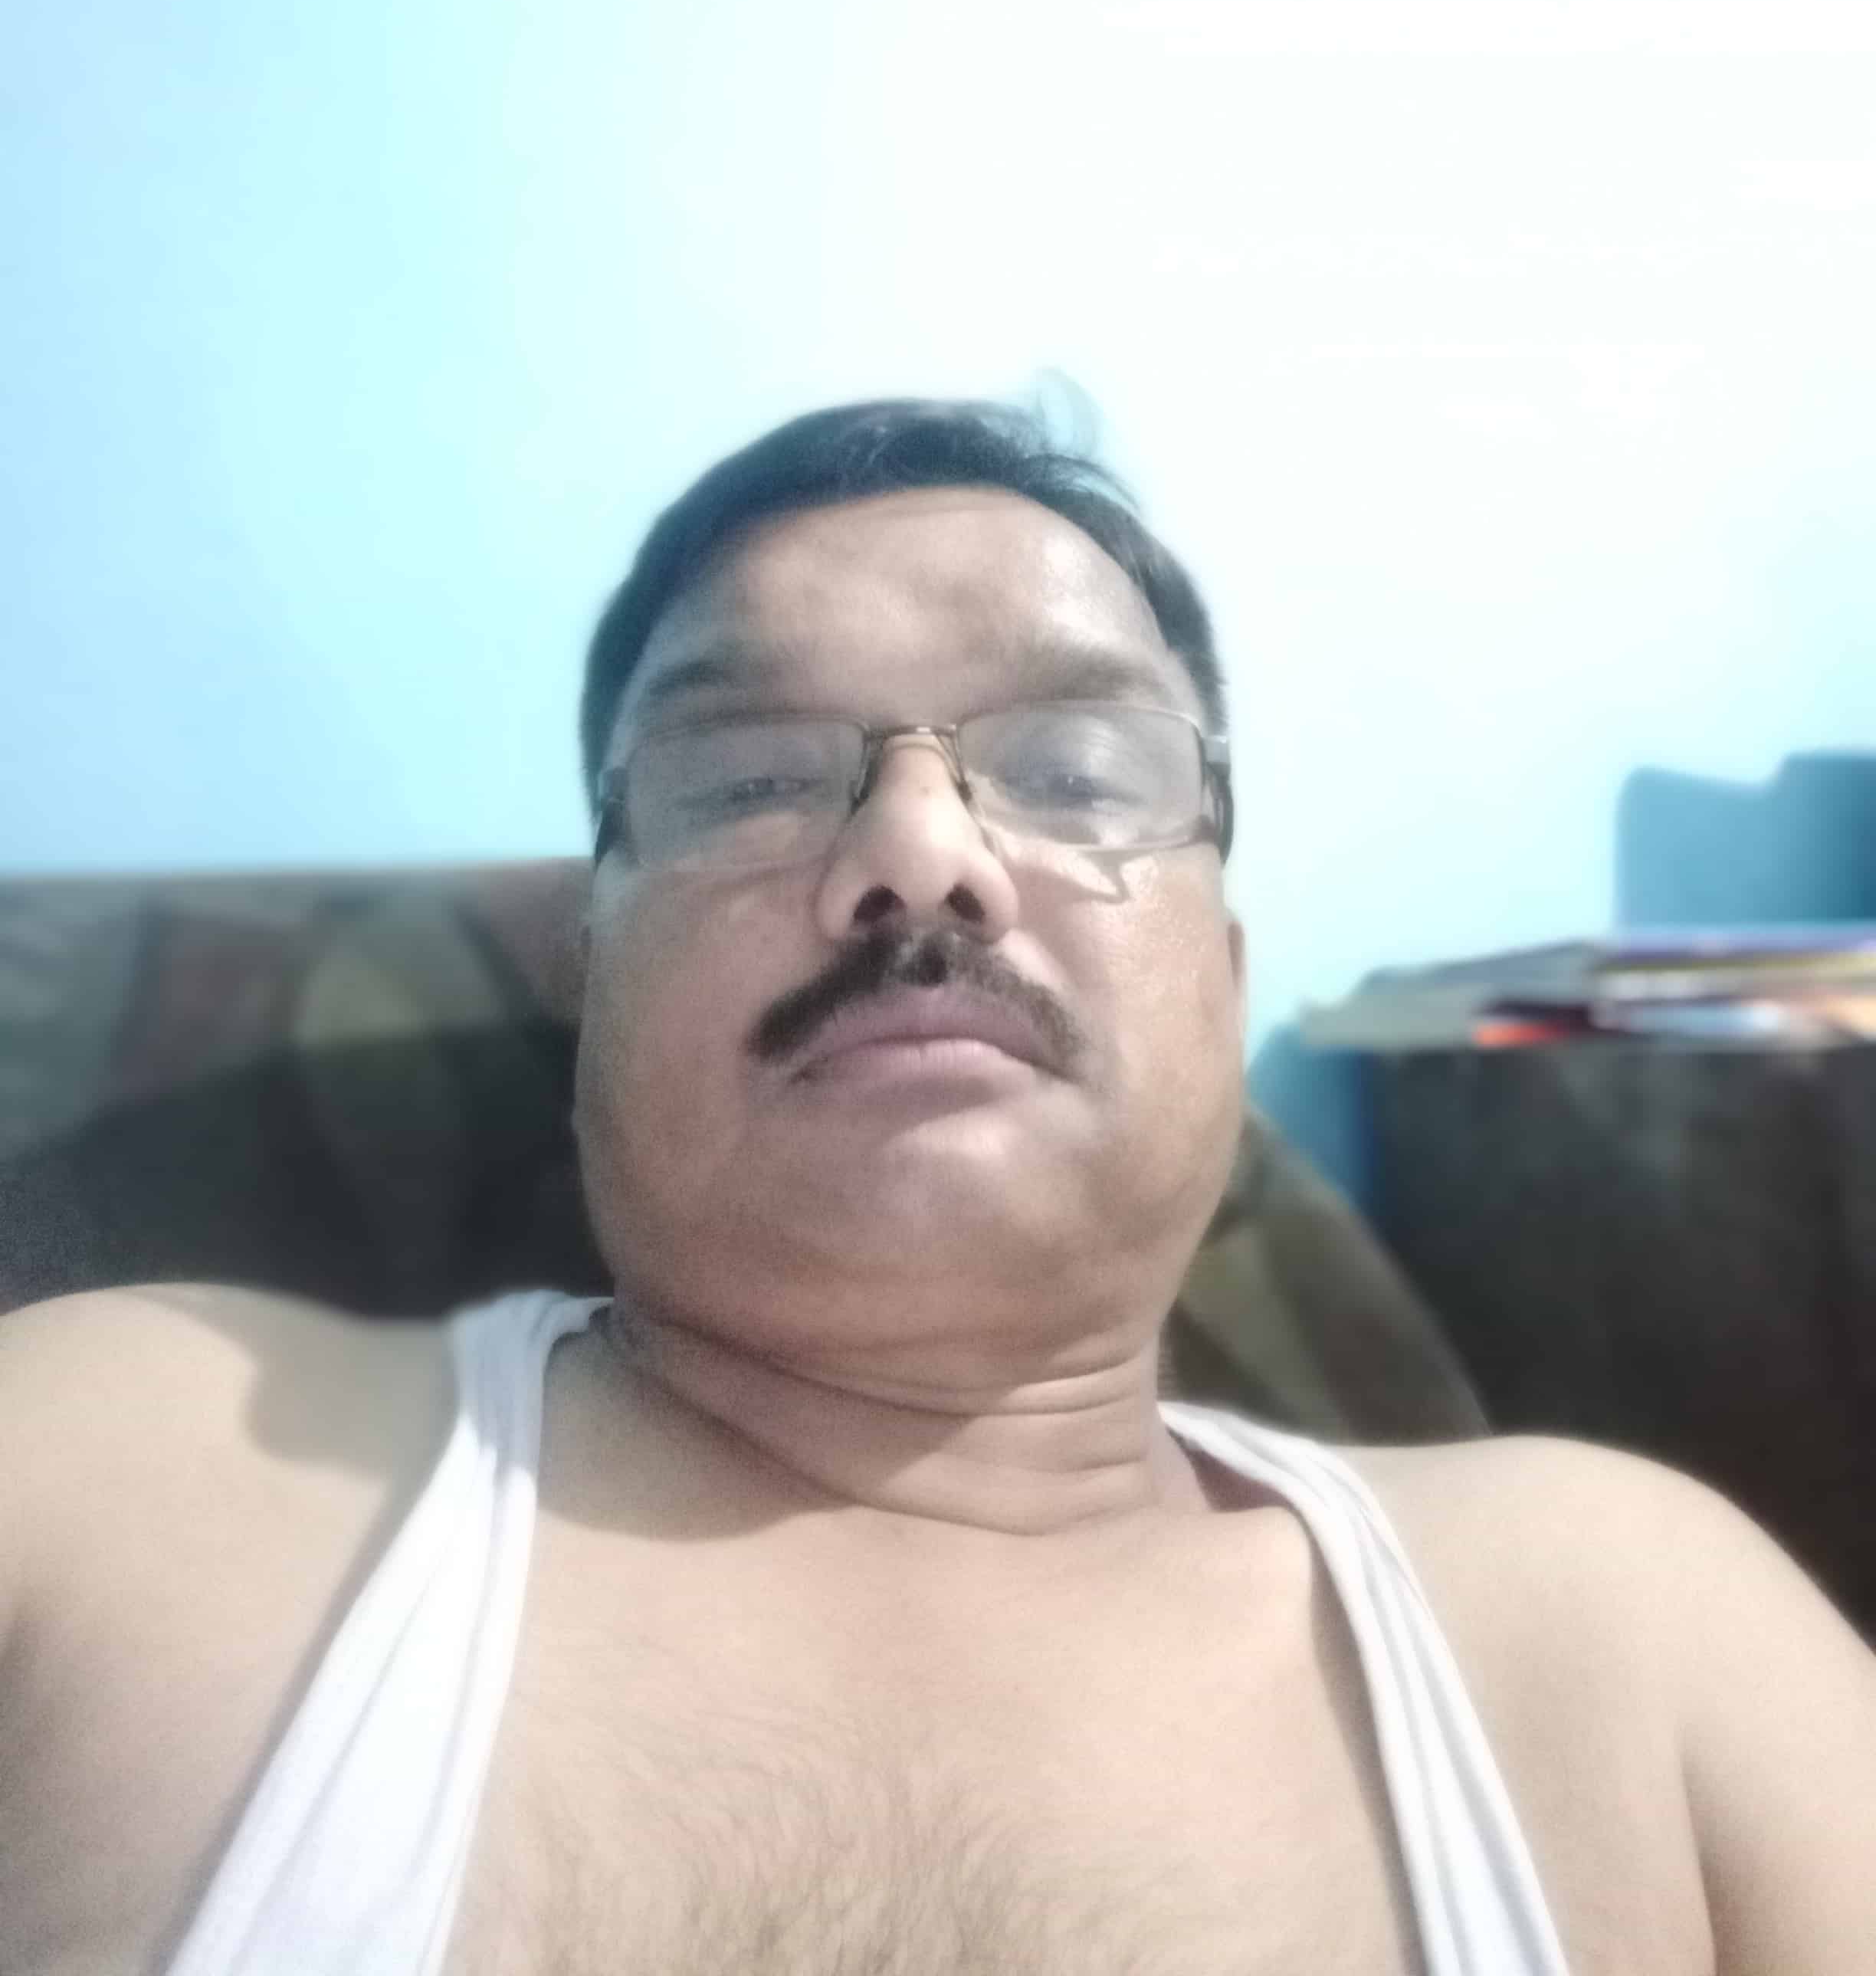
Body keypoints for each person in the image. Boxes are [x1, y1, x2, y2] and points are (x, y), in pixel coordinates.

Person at [2, 397, 1873, 1976]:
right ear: (595, 978)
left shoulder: (1625, 1622)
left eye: (1076, 769)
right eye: (744, 782)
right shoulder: (129, 1460)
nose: (920, 851)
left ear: (1222, 982)